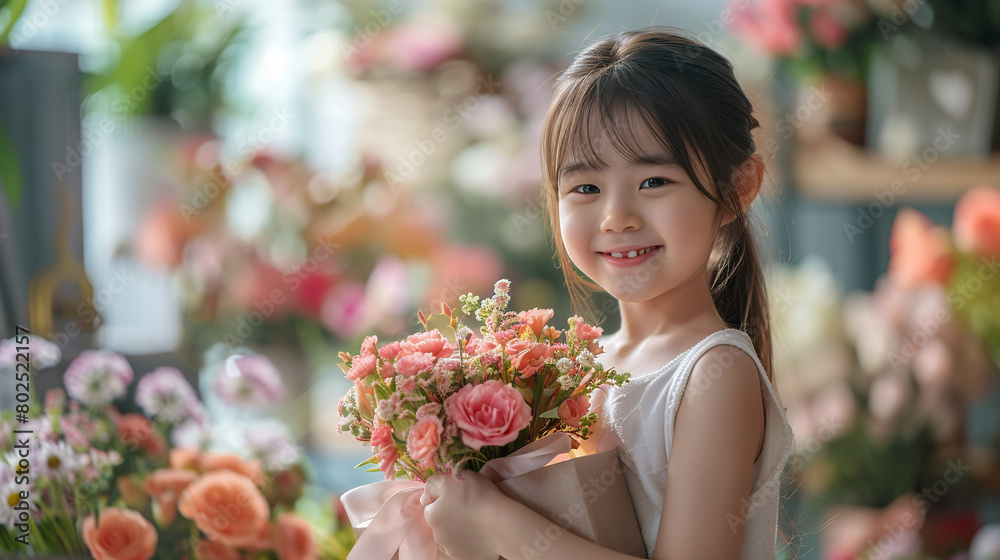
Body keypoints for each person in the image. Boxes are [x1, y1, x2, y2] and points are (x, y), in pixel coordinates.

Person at [419, 25, 796, 560]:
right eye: (586, 188)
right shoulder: (582, 367)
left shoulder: (714, 374)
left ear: (737, 189)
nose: (617, 218)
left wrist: (497, 524)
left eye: (654, 182)